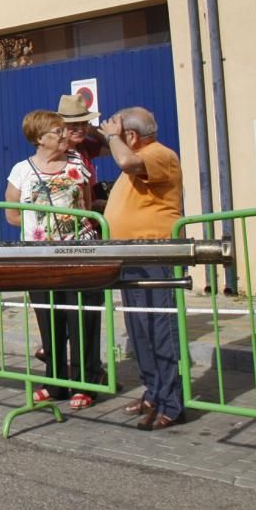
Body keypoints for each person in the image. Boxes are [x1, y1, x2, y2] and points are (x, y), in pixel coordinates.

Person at [101, 106, 185, 431]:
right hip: (133, 255)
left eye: (120, 136)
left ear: (131, 136)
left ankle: (172, 403)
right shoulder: (139, 157)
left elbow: (125, 160)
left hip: (155, 254)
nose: (114, 143)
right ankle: (153, 392)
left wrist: (112, 136)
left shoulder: (160, 154)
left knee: (159, 327)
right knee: (139, 329)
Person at [4, 110, 96, 408]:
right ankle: (55, 382)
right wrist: (39, 226)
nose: (64, 135)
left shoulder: (76, 163)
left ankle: (85, 383)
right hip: (40, 257)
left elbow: (87, 203)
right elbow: (12, 213)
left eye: (63, 130)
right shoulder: (22, 170)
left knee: (81, 317)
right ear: (39, 138)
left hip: (78, 253)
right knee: (49, 319)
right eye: (57, 131)